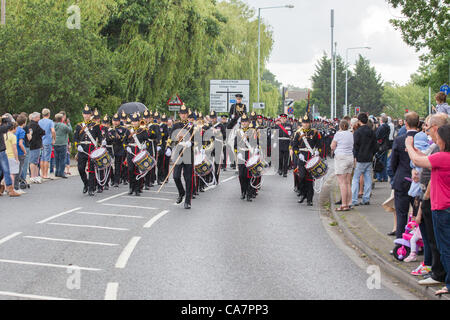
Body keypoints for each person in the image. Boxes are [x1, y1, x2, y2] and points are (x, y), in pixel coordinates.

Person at [406, 123, 450, 296]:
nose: (435, 139)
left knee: (445, 247)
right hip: (445, 207)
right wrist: (416, 150)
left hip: (442, 208)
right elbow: (424, 158)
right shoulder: (442, 157)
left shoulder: (443, 157)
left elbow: (418, 162)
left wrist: (409, 146)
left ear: (444, 140)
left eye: (438, 137)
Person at [390, 111, 420, 240]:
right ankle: (419, 242)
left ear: (406, 124)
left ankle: (401, 243)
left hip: (402, 178)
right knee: (419, 213)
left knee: (401, 213)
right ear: (418, 123)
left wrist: (395, 174)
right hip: (419, 180)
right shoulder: (422, 138)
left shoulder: (400, 139)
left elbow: (393, 162)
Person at [290, 113, 322, 206]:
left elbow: (319, 144)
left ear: (310, 123)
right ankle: (303, 194)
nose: (305, 124)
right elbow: (294, 146)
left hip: (311, 157)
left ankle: (309, 199)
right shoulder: (298, 133)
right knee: (301, 176)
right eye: (304, 123)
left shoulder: (315, 132)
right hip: (302, 157)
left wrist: (317, 152)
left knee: (310, 179)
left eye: (307, 123)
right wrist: (298, 154)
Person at [168, 104, 194, 209]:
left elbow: (198, 141)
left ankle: (188, 201)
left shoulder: (192, 126)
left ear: (187, 114)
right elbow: (171, 139)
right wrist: (171, 146)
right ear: (179, 114)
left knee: (188, 178)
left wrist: (191, 143)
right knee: (175, 176)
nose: (183, 115)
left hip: (188, 154)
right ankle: (181, 192)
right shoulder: (176, 125)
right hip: (178, 153)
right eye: (182, 114)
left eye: (185, 114)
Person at [74, 105, 103, 196]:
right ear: (82, 114)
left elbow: (100, 137)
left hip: (92, 149)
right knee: (80, 168)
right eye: (85, 114)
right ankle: (86, 183)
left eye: (88, 114)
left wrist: (102, 144)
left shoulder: (95, 125)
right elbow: (75, 139)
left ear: (90, 115)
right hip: (82, 149)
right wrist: (78, 146)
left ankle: (91, 188)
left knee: (91, 169)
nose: (86, 116)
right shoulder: (79, 126)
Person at [351, 113, 378, 206]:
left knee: (355, 178)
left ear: (359, 121)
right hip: (369, 157)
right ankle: (366, 198)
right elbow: (375, 146)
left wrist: (355, 156)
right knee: (368, 178)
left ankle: (354, 199)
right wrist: (372, 154)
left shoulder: (357, 132)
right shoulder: (371, 132)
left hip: (360, 158)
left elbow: (355, 146)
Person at [331, 119, 354, 211]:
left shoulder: (338, 134)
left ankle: (344, 204)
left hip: (341, 158)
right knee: (348, 182)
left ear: (340, 126)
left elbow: (332, 146)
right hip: (350, 157)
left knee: (342, 183)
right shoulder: (351, 134)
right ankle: (349, 202)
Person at [0, 114, 20, 197]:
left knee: (1, 171)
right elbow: (10, 125)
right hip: (1, 151)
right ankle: (10, 189)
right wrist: (7, 119)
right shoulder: (1, 129)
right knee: (6, 170)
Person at [28, 112, 46, 184]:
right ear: (35, 118)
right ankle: (33, 176)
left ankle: (35, 175)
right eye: (38, 117)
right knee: (33, 161)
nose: (39, 118)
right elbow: (43, 132)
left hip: (33, 145)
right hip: (35, 145)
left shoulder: (30, 125)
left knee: (35, 161)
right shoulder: (35, 125)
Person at [38, 108, 55, 180]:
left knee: (41, 158)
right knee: (47, 158)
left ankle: (42, 174)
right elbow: (53, 131)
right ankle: (45, 174)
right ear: (49, 114)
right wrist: (54, 138)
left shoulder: (39, 121)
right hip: (48, 141)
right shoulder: (50, 122)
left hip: (40, 141)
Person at [54, 113, 72, 178]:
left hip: (56, 143)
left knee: (57, 158)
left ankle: (57, 172)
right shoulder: (63, 125)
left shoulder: (54, 124)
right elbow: (69, 130)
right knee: (62, 159)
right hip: (62, 143)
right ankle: (61, 172)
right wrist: (69, 123)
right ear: (61, 119)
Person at [14, 114, 28, 192]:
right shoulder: (22, 131)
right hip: (19, 152)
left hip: (13, 151)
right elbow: (20, 143)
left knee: (13, 170)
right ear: (24, 122)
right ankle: (16, 187)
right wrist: (24, 151)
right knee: (18, 170)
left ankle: (11, 186)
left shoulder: (14, 129)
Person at [375, 115, 390, 182]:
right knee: (384, 162)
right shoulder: (388, 127)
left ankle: (379, 177)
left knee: (379, 162)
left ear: (381, 120)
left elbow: (377, 136)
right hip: (386, 145)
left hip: (380, 146)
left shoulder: (381, 128)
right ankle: (385, 177)